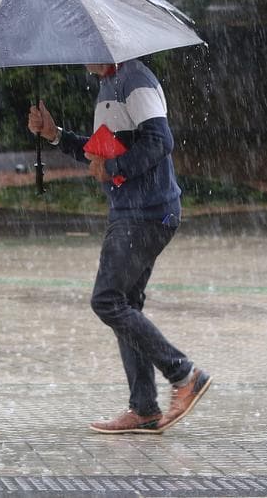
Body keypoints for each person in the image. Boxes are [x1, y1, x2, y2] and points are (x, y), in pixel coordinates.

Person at [27, 60, 212, 434]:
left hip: (145, 213)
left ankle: (184, 375)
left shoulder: (134, 80)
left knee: (107, 301)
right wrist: (55, 135)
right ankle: (144, 409)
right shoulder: (109, 85)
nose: (82, 55)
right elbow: (103, 151)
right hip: (133, 211)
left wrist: (115, 170)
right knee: (125, 305)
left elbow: (160, 141)